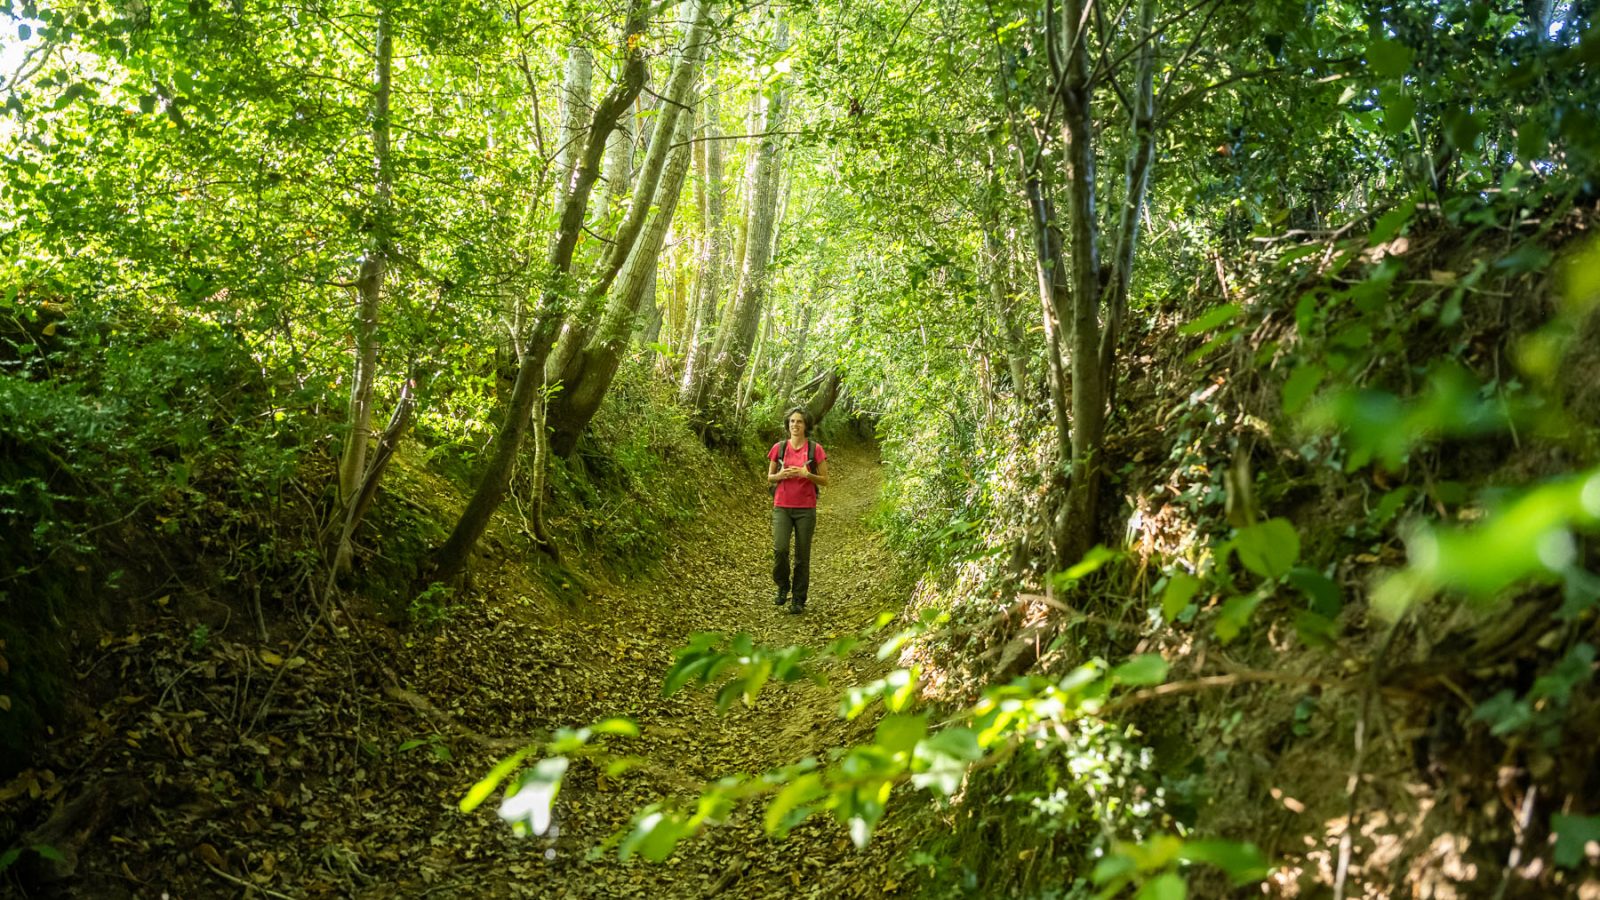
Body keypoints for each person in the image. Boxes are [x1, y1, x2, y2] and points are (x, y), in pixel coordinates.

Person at [768, 407, 829, 614]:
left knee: (802, 556)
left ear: (806, 425)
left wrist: (807, 474)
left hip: (806, 509)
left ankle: (798, 599)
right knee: (780, 549)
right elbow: (770, 477)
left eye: (799, 422)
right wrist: (781, 475)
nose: (795, 425)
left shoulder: (815, 449)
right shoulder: (779, 447)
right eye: (792, 421)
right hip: (782, 507)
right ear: (788, 425)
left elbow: (825, 480)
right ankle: (782, 586)